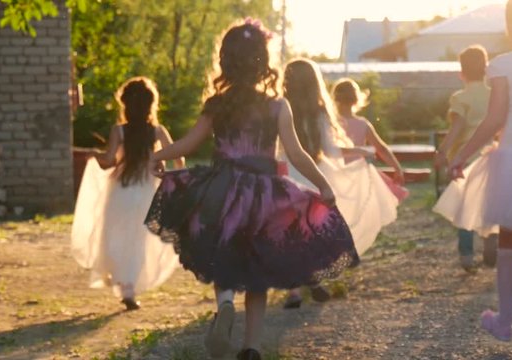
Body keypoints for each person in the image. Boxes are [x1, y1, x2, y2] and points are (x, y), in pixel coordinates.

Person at [145, 19, 359, 360]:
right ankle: (252, 347)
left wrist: (158, 155)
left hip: (220, 190)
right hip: (263, 194)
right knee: (257, 270)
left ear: (225, 60)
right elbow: (296, 153)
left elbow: (189, 141)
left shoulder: (217, 104)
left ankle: (225, 303)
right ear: (263, 59)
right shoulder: (276, 106)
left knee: (224, 256)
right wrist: (323, 184)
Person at [279, 60, 399, 309]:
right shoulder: (320, 112)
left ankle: (293, 291)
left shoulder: (278, 109)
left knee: (290, 232)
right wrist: (360, 149)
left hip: (288, 176)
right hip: (316, 175)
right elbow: (330, 150)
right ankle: (312, 277)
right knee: (311, 230)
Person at [447, 0, 512, 341]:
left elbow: (494, 119)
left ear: (509, 25)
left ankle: (505, 321)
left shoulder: (504, 64)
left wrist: (461, 155)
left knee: (511, 234)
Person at [70, 77, 183, 311]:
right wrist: (173, 176)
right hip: (146, 191)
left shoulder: (119, 131)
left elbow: (109, 160)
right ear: (151, 104)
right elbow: (179, 158)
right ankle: (129, 286)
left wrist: (93, 155)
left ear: (125, 105)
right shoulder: (157, 131)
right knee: (139, 239)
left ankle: (122, 282)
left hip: (120, 191)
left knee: (115, 235)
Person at [432, 46, 498, 272]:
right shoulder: (494, 94)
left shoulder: (460, 97)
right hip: (492, 155)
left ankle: (467, 255)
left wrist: (442, 152)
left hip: (466, 158)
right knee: (489, 202)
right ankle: (491, 243)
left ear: (462, 71)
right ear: (486, 68)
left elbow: (458, 127)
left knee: (465, 206)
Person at [332, 78, 408, 202]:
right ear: (356, 99)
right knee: (360, 209)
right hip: (358, 174)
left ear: (334, 99)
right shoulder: (362, 124)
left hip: (336, 173)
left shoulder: (330, 123)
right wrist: (397, 168)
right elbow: (381, 148)